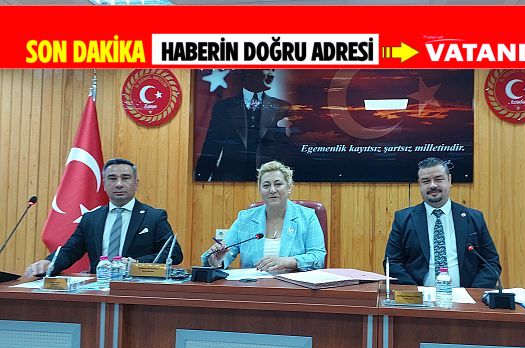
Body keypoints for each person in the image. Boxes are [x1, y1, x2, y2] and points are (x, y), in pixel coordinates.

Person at [25, 158, 183, 277]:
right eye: (112, 178)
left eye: (125, 178)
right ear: (105, 184)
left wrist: (136, 264)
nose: (119, 184)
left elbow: (174, 253)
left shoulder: (153, 217)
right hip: (98, 288)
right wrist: (49, 263)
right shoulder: (91, 219)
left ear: (136, 184)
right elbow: (70, 250)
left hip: (137, 288)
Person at [384, 157, 500, 288]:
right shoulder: (403, 220)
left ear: (449, 180)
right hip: (419, 297)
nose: (432, 185)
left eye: (438, 179)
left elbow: (491, 262)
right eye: (426, 181)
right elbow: (392, 262)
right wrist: (415, 293)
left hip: (465, 296)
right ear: (419, 184)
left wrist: (473, 293)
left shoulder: (474, 218)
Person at [201, 161, 325, 272]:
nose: (272, 190)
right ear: (260, 190)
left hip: (294, 287)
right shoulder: (245, 219)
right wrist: (216, 261)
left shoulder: (307, 217)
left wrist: (288, 262)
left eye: (278, 184)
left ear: (289, 187)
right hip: (255, 287)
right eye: (266, 185)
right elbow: (224, 254)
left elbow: (318, 258)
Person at [194, 69, 294, 181]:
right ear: (249, 72)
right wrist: (200, 180)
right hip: (228, 180)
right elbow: (211, 147)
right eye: (267, 68)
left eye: (273, 69)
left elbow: (289, 150)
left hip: (269, 181)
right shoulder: (223, 107)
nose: (271, 73)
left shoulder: (282, 107)